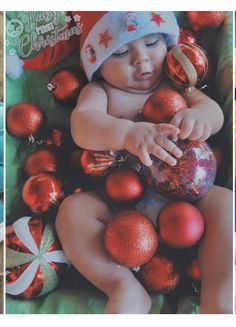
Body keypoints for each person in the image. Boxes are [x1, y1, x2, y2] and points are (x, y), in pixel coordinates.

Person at [55, 11, 233, 314]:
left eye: (152, 43)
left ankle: (220, 296)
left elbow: (214, 113)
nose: (141, 59)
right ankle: (122, 287)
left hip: (191, 201)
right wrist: (126, 133)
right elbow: (83, 124)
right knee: (73, 211)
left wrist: (199, 118)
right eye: (121, 51)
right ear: (97, 65)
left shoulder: (177, 86)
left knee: (226, 204)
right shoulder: (100, 91)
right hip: (119, 210)